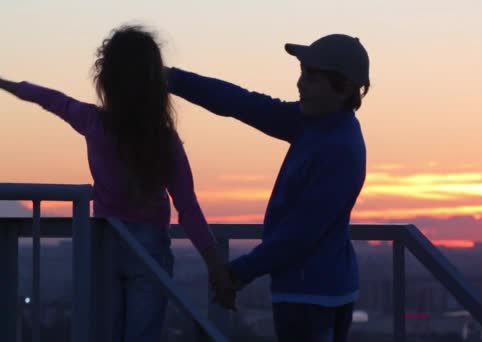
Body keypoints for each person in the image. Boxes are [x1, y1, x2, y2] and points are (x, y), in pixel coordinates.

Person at [0, 25, 234, 342]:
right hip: (149, 248)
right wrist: (215, 265)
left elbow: (50, 99)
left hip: (104, 243)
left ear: (106, 79)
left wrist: (8, 85)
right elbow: (187, 207)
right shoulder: (163, 140)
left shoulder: (92, 121)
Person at [166, 33, 370, 342]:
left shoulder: (338, 147)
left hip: (310, 296)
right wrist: (171, 78)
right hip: (322, 289)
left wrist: (238, 272)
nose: (300, 84)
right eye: (302, 74)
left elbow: (299, 234)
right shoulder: (313, 122)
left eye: (312, 79)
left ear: (342, 89)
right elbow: (241, 102)